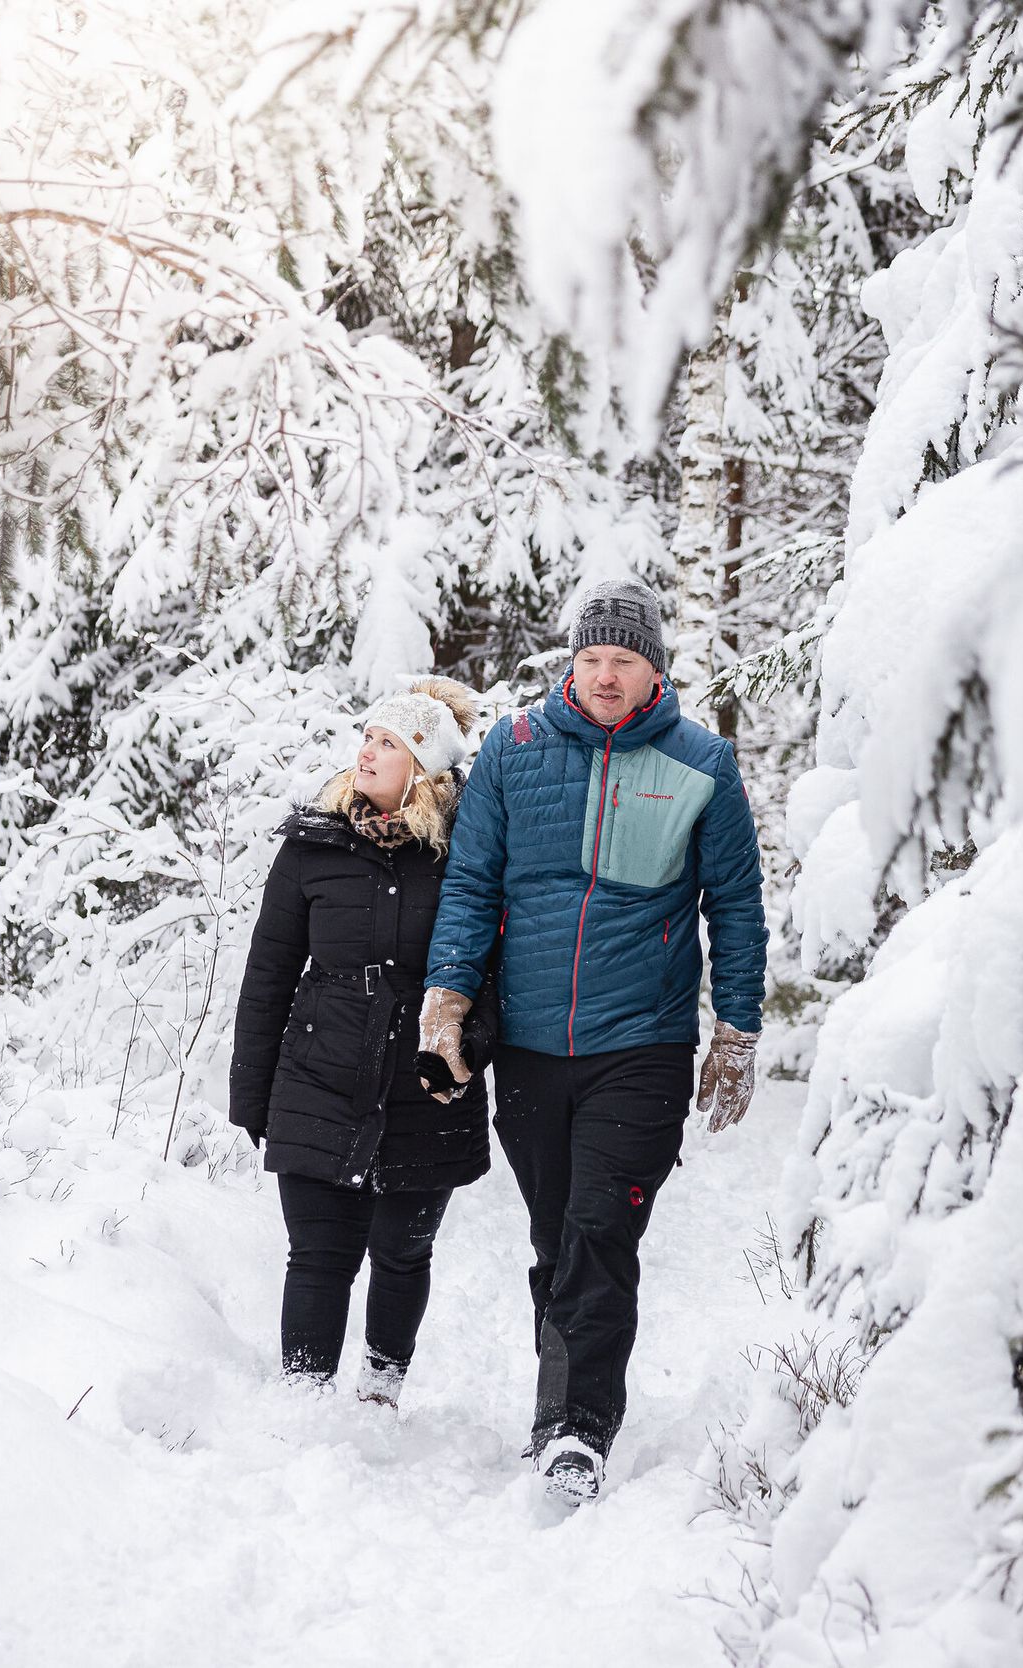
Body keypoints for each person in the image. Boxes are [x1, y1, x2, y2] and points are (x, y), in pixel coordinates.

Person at [417, 579, 766, 1506]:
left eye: (625, 660)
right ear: (572, 663)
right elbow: (472, 883)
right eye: (592, 659)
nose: (606, 675)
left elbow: (734, 906)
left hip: (640, 1043)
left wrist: (736, 1029)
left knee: (600, 1228)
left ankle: (578, 1431)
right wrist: (446, 995)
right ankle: (561, 1401)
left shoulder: (702, 764)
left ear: (655, 668)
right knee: (555, 1233)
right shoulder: (514, 749)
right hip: (531, 1044)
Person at [229, 679, 496, 1408]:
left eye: (390, 743)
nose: (368, 751)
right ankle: (304, 1399)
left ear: (425, 767)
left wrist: (469, 1042)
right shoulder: (312, 847)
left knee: (402, 1253)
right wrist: (252, 1092)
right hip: (319, 1074)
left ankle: (380, 1390)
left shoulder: (468, 855)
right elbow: (269, 973)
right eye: (368, 737)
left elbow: (496, 971)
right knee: (318, 1254)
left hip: (425, 1084)